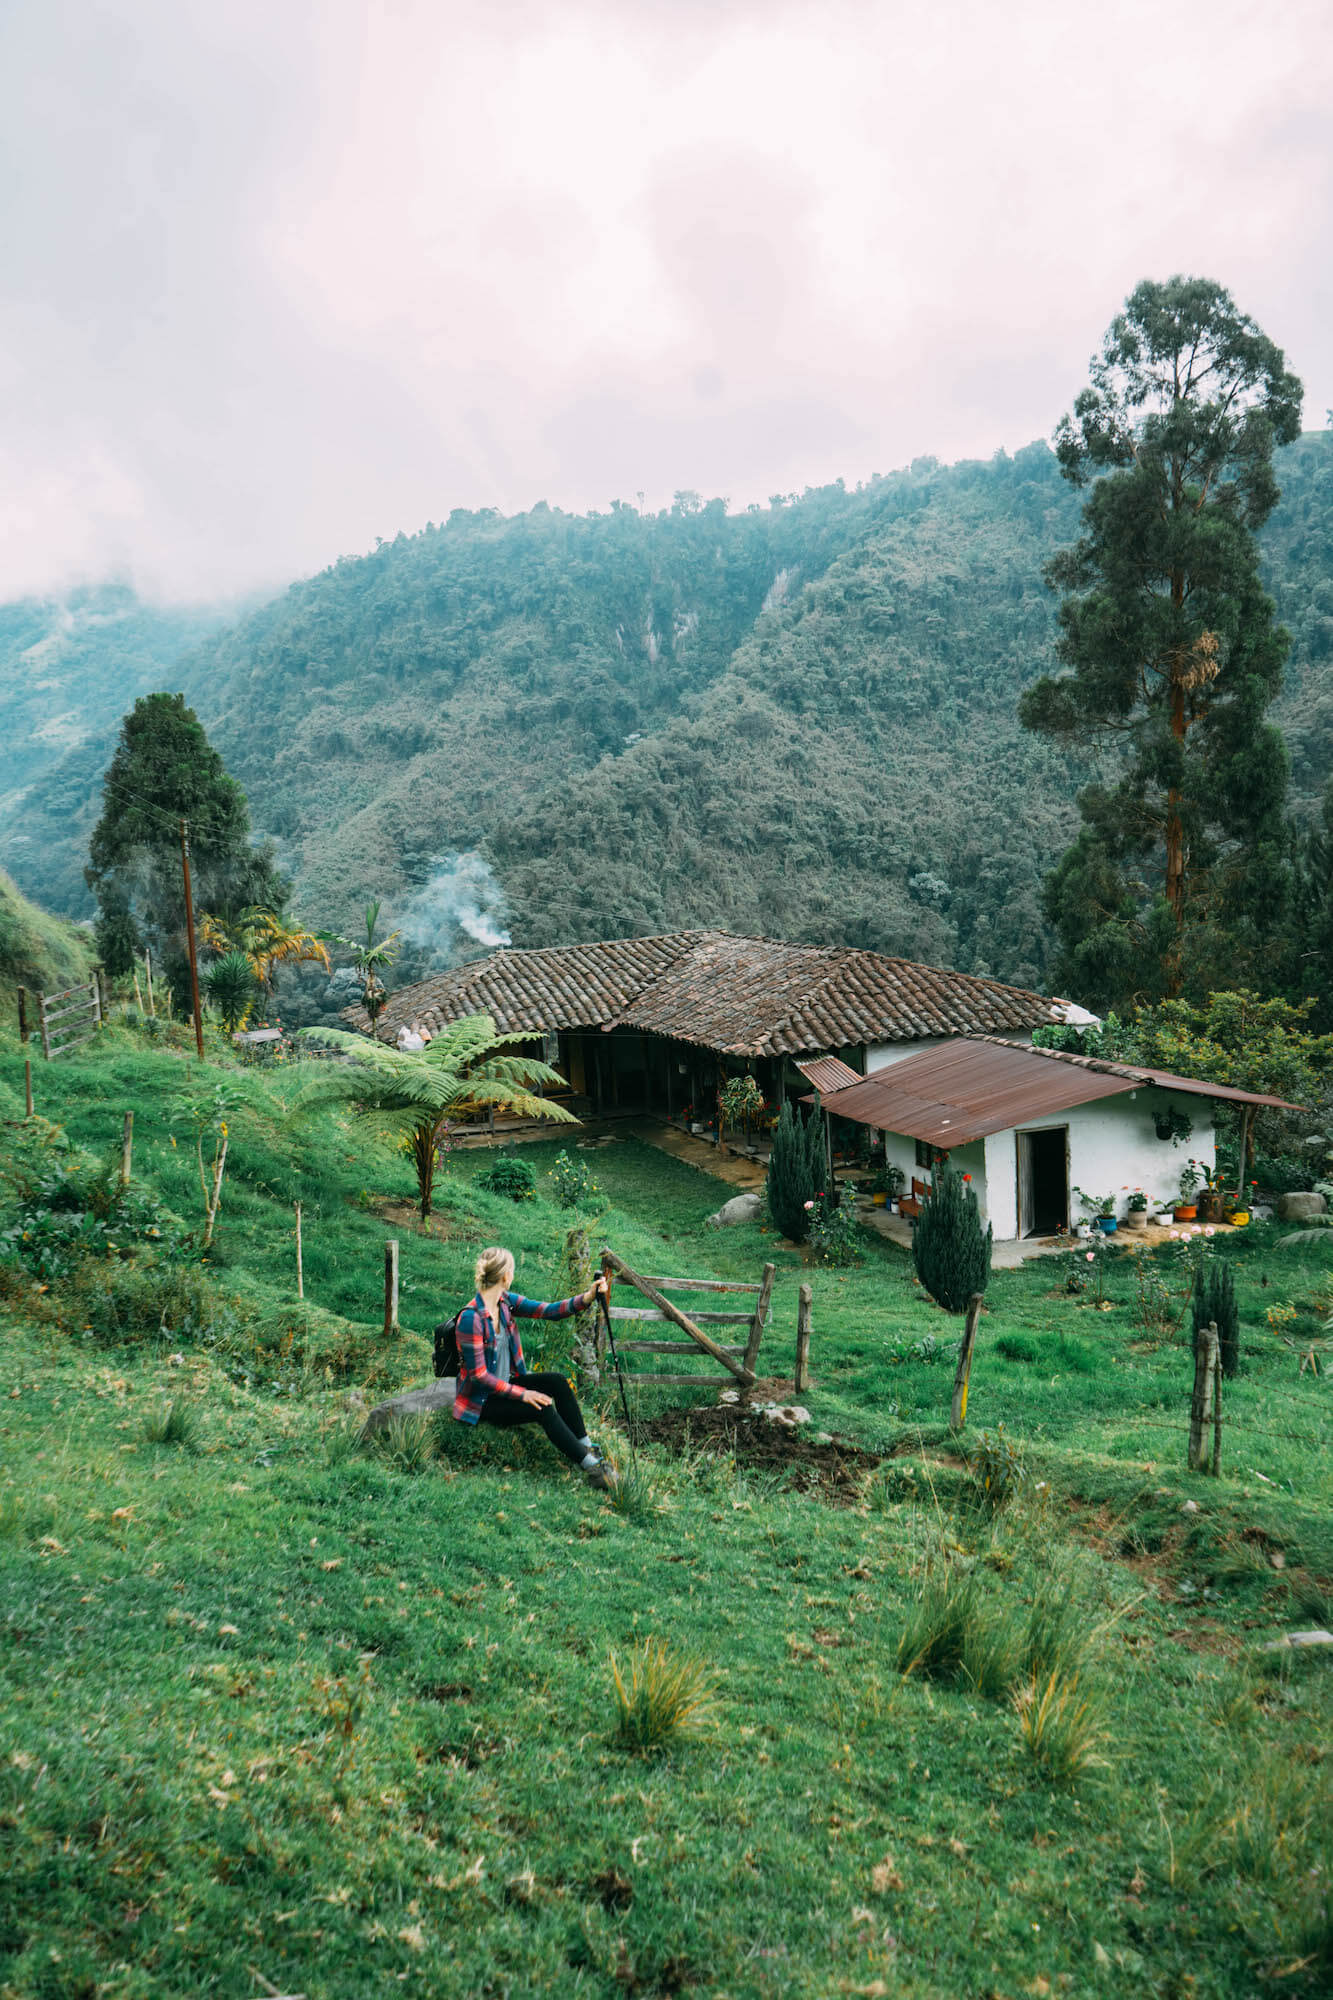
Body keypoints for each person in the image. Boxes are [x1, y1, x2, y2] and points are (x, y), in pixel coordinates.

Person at [453, 1246, 617, 1489]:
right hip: (483, 1401)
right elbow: (480, 1377)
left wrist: (588, 1297)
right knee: (542, 1407)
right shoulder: (471, 1319)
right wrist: (524, 1394)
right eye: (512, 1271)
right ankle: (593, 1469)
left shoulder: (505, 1303)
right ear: (505, 1276)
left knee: (557, 1381)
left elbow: (548, 1311)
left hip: (505, 1385)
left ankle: (586, 1446)